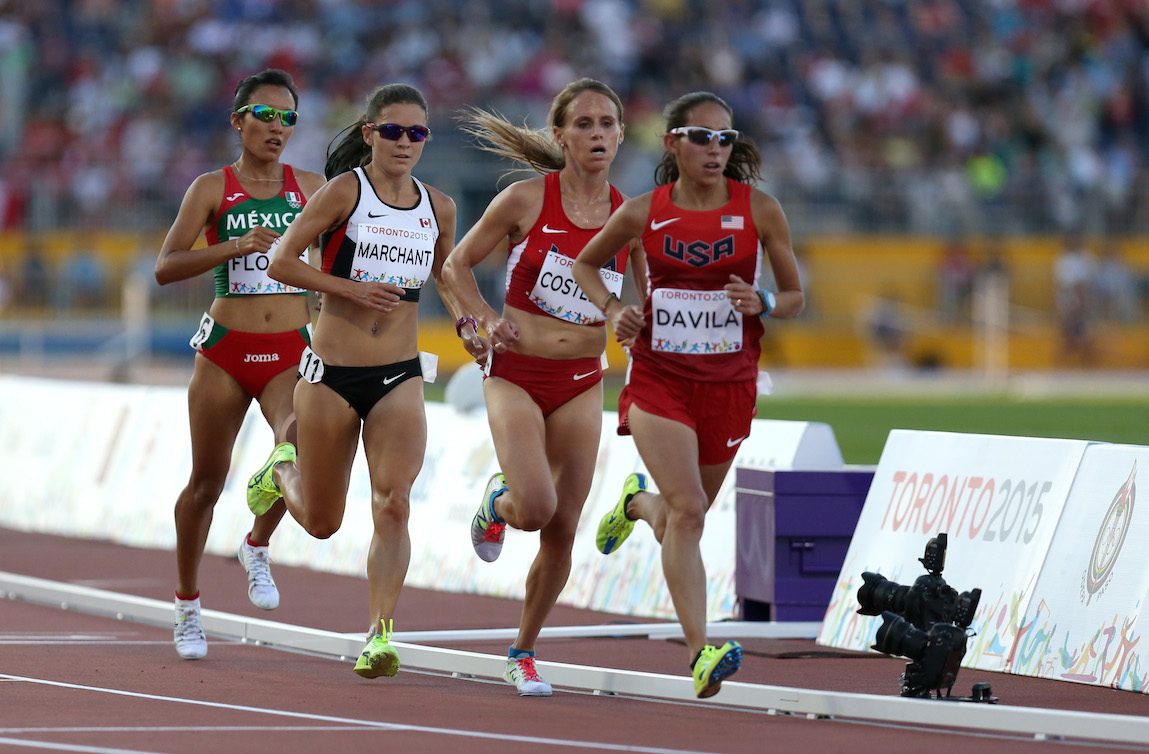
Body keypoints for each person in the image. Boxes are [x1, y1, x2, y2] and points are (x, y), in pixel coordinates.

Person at [572, 91, 804, 699]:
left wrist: (768, 303)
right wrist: (616, 307)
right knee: (692, 510)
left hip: (728, 386)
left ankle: (635, 506)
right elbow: (585, 266)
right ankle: (700, 651)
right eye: (702, 137)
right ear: (673, 143)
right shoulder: (645, 211)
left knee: (682, 515)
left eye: (725, 138)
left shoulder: (762, 211)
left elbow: (796, 296)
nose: (715, 149)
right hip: (659, 380)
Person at [248, 83, 459, 680]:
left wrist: (476, 319)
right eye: (391, 130)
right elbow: (282, 260)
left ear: (426, 141)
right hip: (331, 374)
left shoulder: (439, 206)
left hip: (399, 373)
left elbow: (447, 275)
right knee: (321, 522)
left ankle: (379, 633)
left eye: (415, 132)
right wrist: (348, 289)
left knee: (393, 503)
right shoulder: (346, 191)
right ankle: (278, 470)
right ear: (368, 133)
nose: (403, 142)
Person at [441, 78, 645, 697]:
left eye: (608, 124)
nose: (597, 135)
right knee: (534, 508)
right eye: (583, 124)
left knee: (563, 526)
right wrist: (477, 319)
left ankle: (523, 651)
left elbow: (654, 297)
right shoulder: (525, 200)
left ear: (620, 135)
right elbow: (454, 266)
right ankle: (497, 505)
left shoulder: (631, 215)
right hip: (516, 371)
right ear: (560, 135)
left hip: (583, 380)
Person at [154, 69, 325, 661]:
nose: (277, 128)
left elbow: (338, 260)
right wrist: (234, 246)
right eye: (265, 115)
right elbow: (166, 265)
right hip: (226, 347)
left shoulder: (310, 186)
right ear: (239, 121)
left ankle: (257, 542)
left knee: (294, 447)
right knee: (206, 484)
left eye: (288, 118)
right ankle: (187, 606)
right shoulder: (211, 187)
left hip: (289, 351)